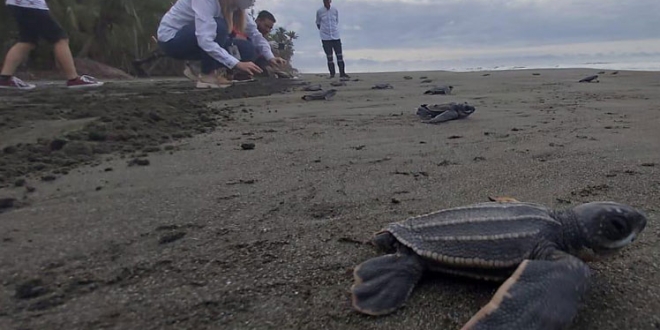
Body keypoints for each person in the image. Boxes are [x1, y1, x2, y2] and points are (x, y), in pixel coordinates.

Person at [156, 0, 287, 89]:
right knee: (219, 26)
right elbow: (205, 40)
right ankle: (207, 74)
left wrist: (270, 57)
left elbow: (254, 33)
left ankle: (197, 66)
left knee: (247, 49)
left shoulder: (233, 6)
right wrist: (236, 63)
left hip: (197, 40)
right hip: (172, 41)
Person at [0, 0, 104, 90]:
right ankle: (73, 79)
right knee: (60, 39)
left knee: (27, 41)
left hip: (15, 4)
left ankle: (5, 78)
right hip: (32, 5)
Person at [316, 0, 349, 79]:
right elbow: (318, 23)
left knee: (339, 56)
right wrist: (324, 31)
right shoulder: (319, 11)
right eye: (325, 1)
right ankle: (332, 74)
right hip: (325, 37)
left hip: (335, 35)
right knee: (329, 56)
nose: (326, 2)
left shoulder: (335, 10)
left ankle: (342, 73)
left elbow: (336, 21)